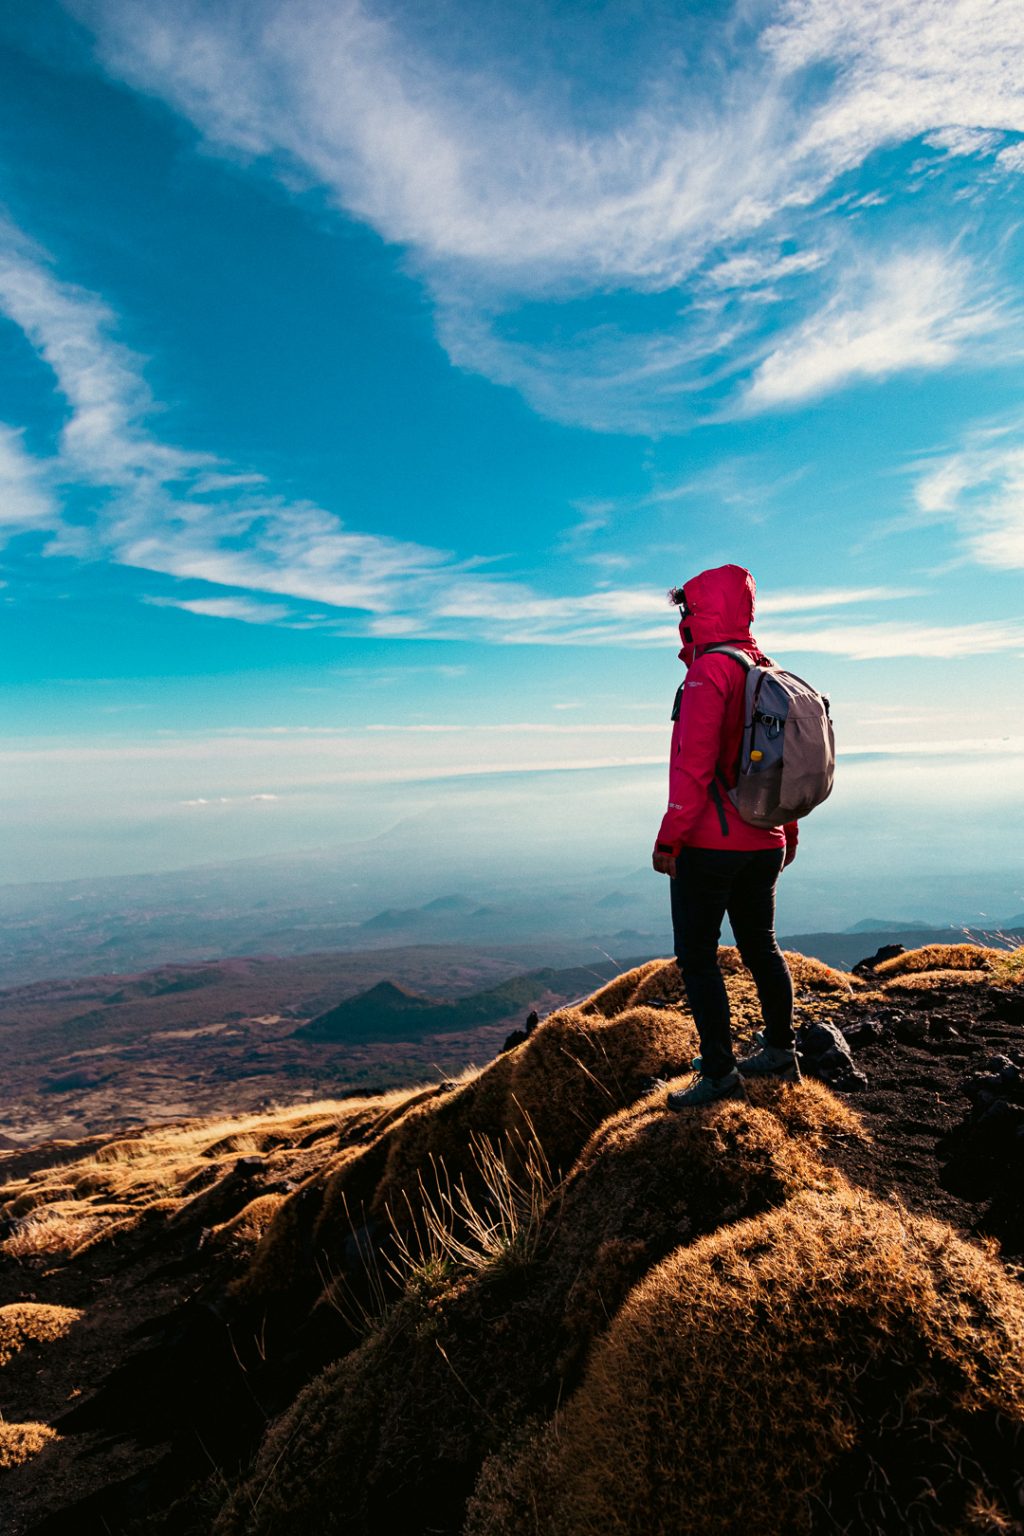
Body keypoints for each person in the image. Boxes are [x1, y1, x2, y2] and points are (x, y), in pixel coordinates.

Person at [651, 563, 800, 1108]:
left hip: (711, 844)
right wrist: (789, 827)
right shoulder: (769, 669)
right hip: (768, 839)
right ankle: (781, 1053)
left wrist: (670, 839)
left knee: (697, 958)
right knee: (762, 945)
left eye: (685, 608)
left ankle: (718, 1074)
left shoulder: (708, 673)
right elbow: (787, 765)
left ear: (699, 612)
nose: (683, 619)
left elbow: (691, 767)